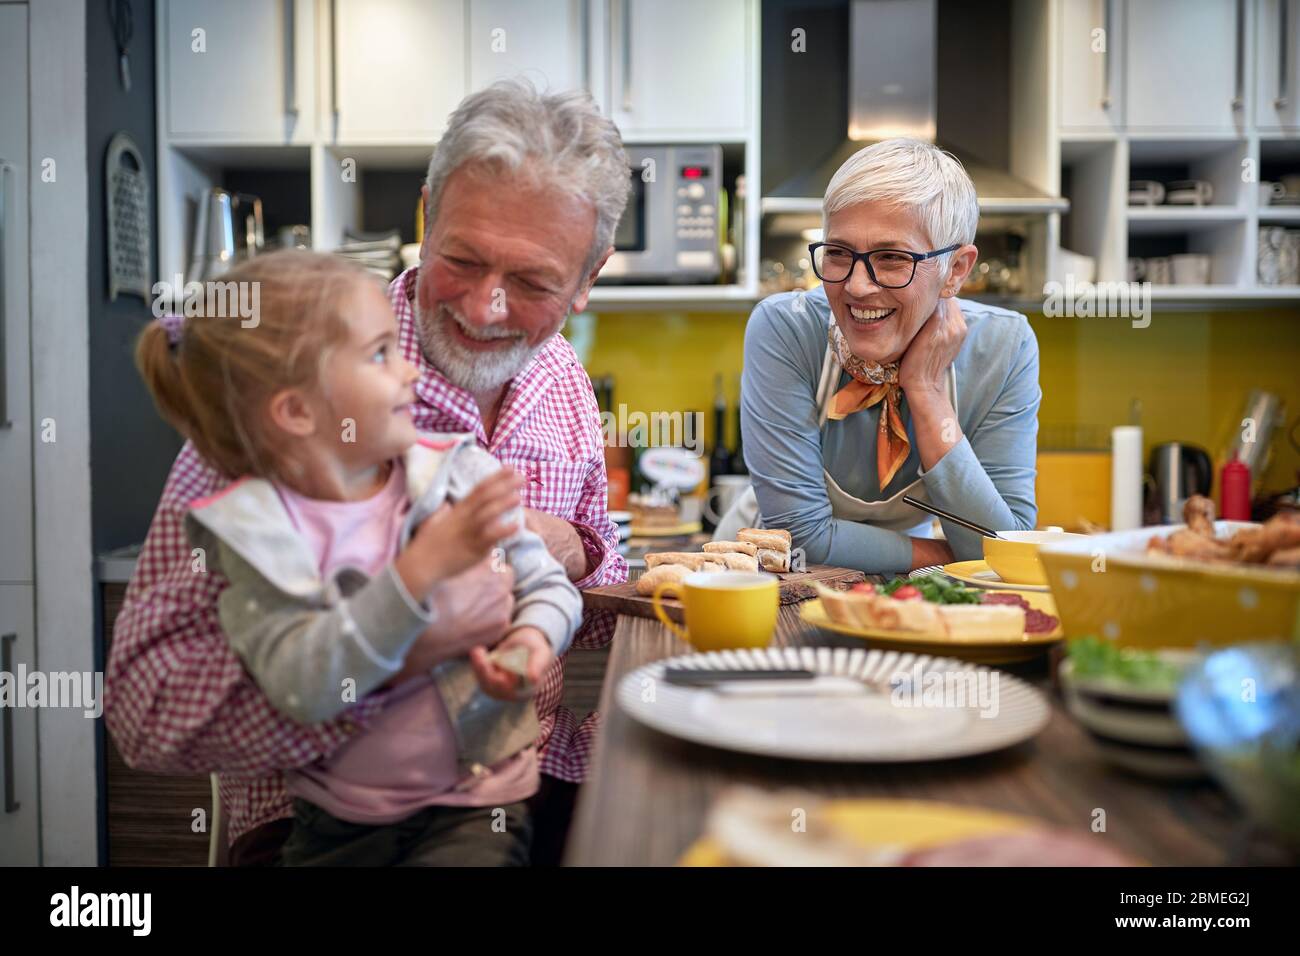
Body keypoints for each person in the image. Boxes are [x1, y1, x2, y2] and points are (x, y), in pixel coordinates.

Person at [106, 78, 632, 865]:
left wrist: (580, 550)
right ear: (427, 216)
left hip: (521, 784)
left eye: (531, 283)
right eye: (463, 259)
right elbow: (146, 712)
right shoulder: (291, 383)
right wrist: (401, 648)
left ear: (587, 281)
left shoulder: (563, 384)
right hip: (319, 817)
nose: (486, 307)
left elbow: (586, 603)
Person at [134, 250, 582, 865]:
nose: (410, 376)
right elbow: (303, 685)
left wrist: (534, 636)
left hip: (478, 803)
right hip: (330, 823)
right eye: (379, 355)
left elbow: (548, 585)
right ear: (295, 410)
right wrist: (421, 572)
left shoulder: (455, 474)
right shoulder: (254, 536)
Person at [717, 138, 1041, 573]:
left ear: (956, 269)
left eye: (891, 258)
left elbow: (1011, 546)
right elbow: (800, 532)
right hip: (771, 581)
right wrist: (956, 556)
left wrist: (924, 391)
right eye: (838, 253)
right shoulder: (786, 328)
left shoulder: (1004, 347)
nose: (857, 286)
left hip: (909, 593)